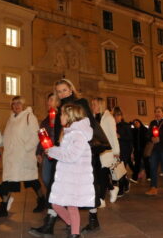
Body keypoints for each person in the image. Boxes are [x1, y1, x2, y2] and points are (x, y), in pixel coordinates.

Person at [29, 79, 110, 237]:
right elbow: (61, 128)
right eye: (58, 91)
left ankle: (89, 220)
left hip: (81, 149)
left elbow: (89, 124)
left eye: (64, 90)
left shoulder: (80, 103)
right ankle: (55, 223)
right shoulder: (59, 108)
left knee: (84, 187)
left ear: (71, 89)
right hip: (63, 149)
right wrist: (55, 146)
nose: (62, 93)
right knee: (55, 184)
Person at [46, 103, 95, 238]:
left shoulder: (78, 135)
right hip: (66, 177)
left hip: (75, 178)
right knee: (56, 204)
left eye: (62, 114)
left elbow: (71, 156)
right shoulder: (70, 133)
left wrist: (53, 151)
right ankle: (74, 225)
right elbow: (65, 152)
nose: (59, 116)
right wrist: (52, 151)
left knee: (72, 206)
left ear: (70, 117)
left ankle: (75, 234)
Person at [1, 96, 45, 215]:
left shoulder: (29, 117)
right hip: (11, 157)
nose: (16, 105)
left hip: (24, 156)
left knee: (32, 181)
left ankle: (42, 200)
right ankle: (3, 207)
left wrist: (25, 149)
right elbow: (7, 137)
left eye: (19, 103)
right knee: (8, 181)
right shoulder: (11, 119)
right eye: (14, 103)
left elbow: (36, 135)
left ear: (23, 105)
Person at [91, 97, 120, 207]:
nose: (92, 106)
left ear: (100, 105)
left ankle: (101, 199)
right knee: (99, 175)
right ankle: (112, 188)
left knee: (102, 173)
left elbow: (113, 135)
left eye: (94, 104)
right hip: (97, 150)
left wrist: (116, 151)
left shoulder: (108, 118)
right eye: (92, 104)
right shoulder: (94, 118)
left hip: (107, 150)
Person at [145, 106, 163, 196]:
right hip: (154, 150)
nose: (157, 114)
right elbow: (147, 134)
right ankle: (153, 188)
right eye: (155, 112)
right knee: (153, 168)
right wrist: (151, 138)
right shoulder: (152, 123)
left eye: (159, 112)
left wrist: (160, 139)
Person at [37, 93, 58, 194]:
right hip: (47, 153)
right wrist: (38, 152)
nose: (48, 102)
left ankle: (54, 203)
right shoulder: (45, 120)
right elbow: (42, 137)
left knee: (56, 179)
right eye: (48, 100)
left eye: (51, 100)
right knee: (45, 179)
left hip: (59, 153)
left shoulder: (62, 118)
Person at [131, 118, 149, 183]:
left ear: (140, 122)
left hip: (144, 149)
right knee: (137, 164)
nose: (136, 124)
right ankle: (134, 178)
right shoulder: (134, 131)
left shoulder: (145, 130)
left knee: (146, 163)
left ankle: (149, 176)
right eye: (134, 123)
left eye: (137, 122)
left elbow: (148, 139)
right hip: (137, 150)